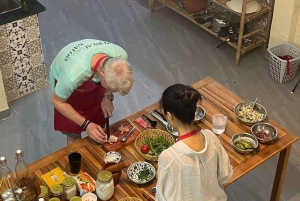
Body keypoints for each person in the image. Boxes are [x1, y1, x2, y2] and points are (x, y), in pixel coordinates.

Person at [156, 84, 233, 201]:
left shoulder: (168, 157)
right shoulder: (210, 137)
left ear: (169, 116)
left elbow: (162, 198)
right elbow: (225, 175)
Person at [50, 39, 134, 145]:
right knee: (74, 134)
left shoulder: (120, 57)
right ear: (102, 75)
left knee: (99, 129)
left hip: (89, 72)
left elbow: (111, 82)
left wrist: (107, 96)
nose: (112, 91)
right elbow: (56, 101)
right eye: (111, 89)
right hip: (68, 90)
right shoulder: (72, 76)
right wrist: (86, 124)